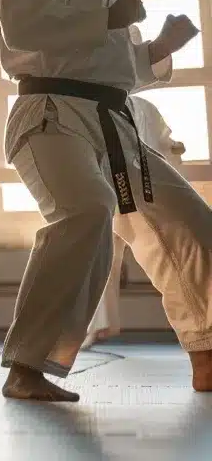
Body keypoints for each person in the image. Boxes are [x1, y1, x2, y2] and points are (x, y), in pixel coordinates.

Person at [0, 0, 210, 401]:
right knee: (86, 212)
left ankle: (207, 350)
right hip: (51, 117)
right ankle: (27, 365)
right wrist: (108, 19)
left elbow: (115, 71)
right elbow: (22, 31)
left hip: (110, 121)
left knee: (190, 220)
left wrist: (159, 47)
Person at [83, 90, 185, 348]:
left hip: (144, 194)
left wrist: (174, 149)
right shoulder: (94, 105)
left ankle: (190, 326)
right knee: (103, 262)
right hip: (110, 193)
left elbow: (163, 142)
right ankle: (98, 326)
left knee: (167, 259)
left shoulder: (144, 107)